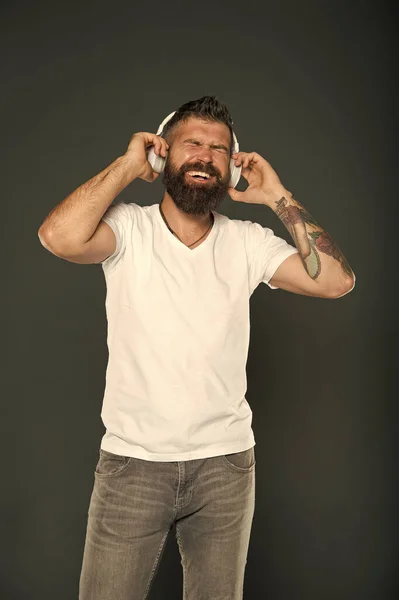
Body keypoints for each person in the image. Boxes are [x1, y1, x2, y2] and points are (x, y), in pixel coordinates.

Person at [38, 95, 355, 600]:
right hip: (132, 466)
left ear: (231, 168)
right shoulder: (128, 229)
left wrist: (278, 197)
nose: (206, 155)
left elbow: (336, 281)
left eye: (219, 149)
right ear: (164, 155)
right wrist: (126, 166)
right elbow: (58, 236)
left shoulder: (248, 242)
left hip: (225, 469)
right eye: (193, 144)